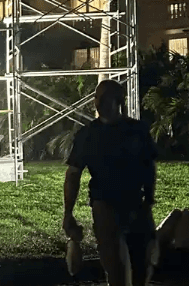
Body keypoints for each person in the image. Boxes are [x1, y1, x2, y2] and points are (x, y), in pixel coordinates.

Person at [62, 80, 158, 286]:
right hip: (105, 204)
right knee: (115, 266)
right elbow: (73, 174)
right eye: (98, 97)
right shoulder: (88, 134)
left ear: (119, 101)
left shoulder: (137, 130)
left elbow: (149, 166)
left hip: (136, 202)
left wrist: (149, 200)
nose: (99, 103)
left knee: (141, 267)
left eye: (105, 98)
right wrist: (68, 212)